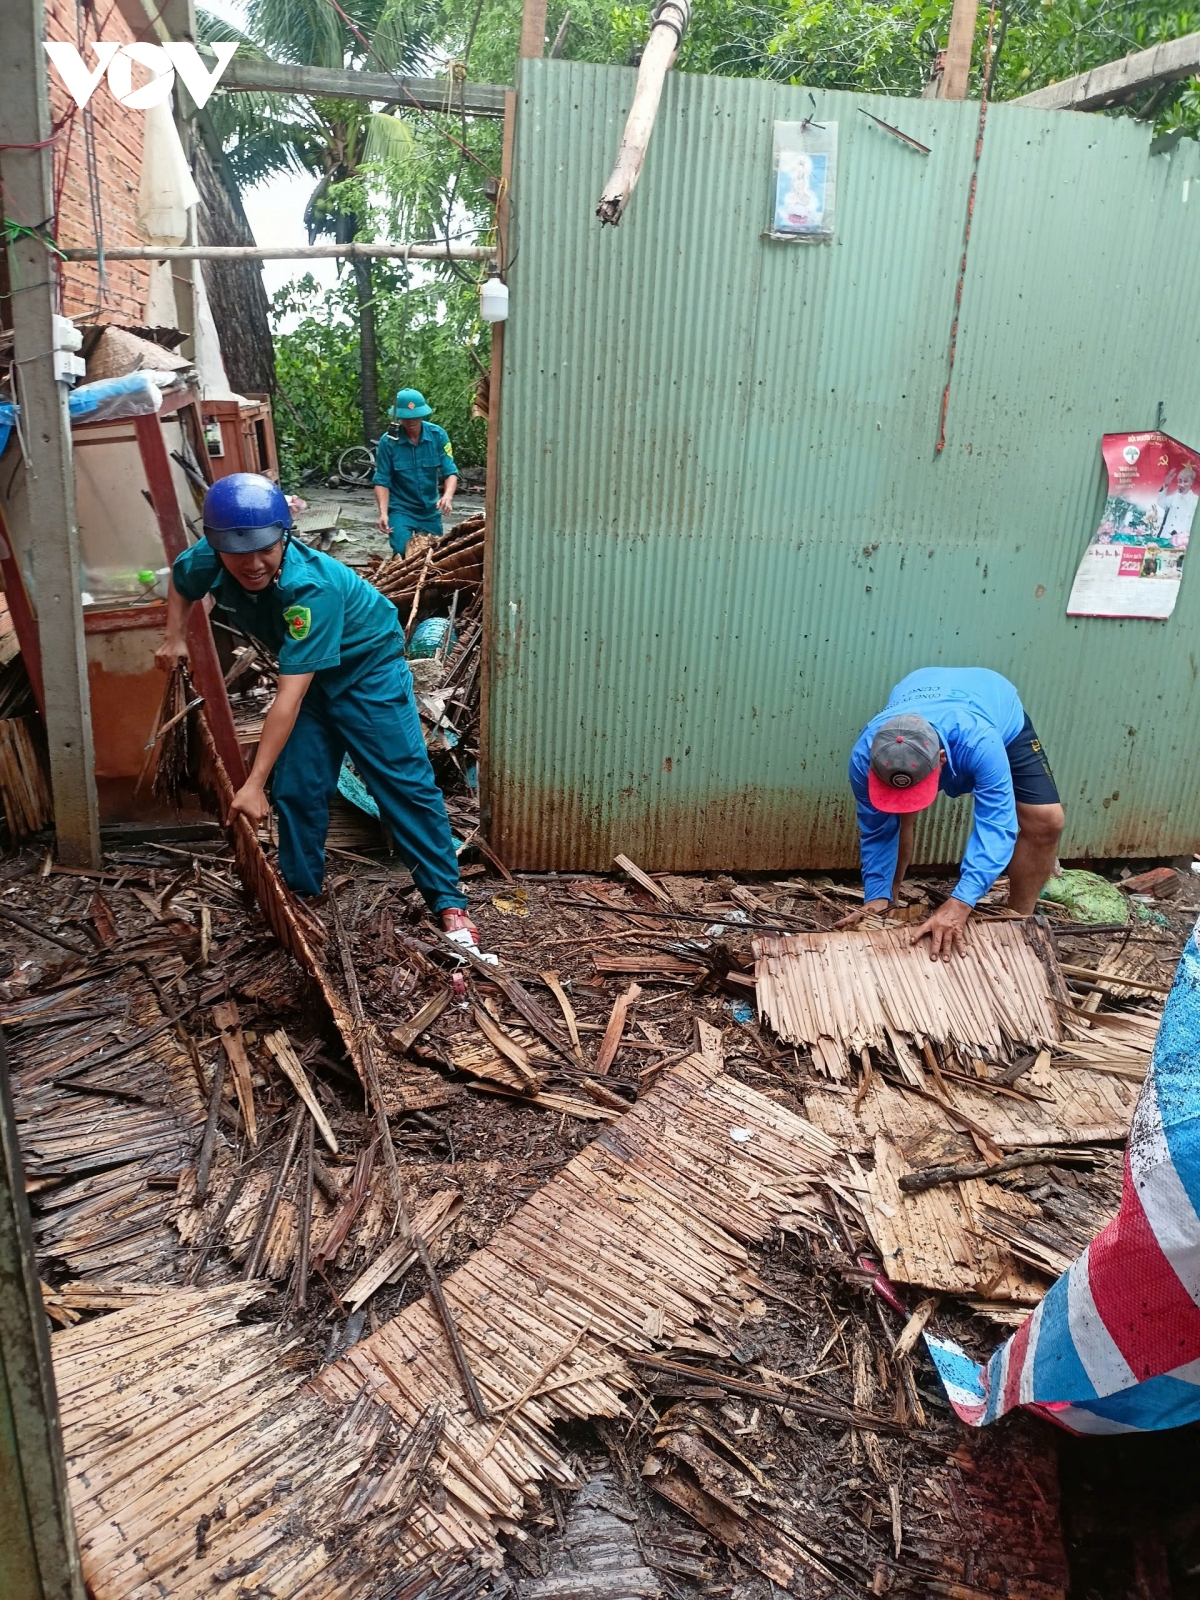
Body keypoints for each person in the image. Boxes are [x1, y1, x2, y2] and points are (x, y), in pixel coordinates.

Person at [154, 472, 477, 945]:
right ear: (217, 544)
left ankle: (448, 902)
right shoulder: (213, 555)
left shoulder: (311, 589)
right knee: (299, 787)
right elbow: (183, 582)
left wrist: (252, 784)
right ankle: (302, 893)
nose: (253, 563)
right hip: (309, 676)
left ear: (285, 534)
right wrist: (174, 636)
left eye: (266, 548)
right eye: (238, 552)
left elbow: (288, 695)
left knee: (403, 784)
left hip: (367, 671)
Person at [846, 667, 1064, 961]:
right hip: (921, 690)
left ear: (942, 760)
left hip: (992, 705)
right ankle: (887, 903)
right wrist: (874, 897)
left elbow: (997, 826)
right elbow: (876, 829)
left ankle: (1017, 922)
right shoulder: (864, 755)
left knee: (1046, 820)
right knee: (895, 818)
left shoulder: (980, 742)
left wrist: (961, 902)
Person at [372, 388, 458, 556]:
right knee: (402, 550)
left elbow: (450, 472)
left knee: (434, 553)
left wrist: (447, 496)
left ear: (423, 414)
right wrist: (383, 512)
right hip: (401, 508)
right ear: (399, 417)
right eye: (406, 417)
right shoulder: (388, 442)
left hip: (429, 509)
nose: (411, 421)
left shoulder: (438, 436)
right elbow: (382, 480)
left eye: (415, 416)